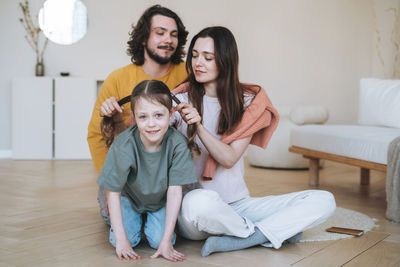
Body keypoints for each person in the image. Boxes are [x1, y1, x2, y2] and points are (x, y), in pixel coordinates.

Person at [170, 26, 336, 256]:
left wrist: (198, 127)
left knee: (324, 200)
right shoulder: (179, 100)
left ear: (226, 60)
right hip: (196, 209)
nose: (198, 63)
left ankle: (245, 236)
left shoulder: (248, 102)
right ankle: (272, 231)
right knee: (200, 202)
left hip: (238, 206)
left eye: (208, 57)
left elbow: (228, 158)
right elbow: (147, 134)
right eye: (195, 55)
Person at [87, 5, 189, 224]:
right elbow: (96, 136)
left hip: (168, 176)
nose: (168, 40)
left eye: (173, 34)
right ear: (144, 38)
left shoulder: (187, 76)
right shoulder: (117, 79)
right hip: (127, 176)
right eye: (160, 33)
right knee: (112, 218)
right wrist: (108, 184)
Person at [97, 80, 197, 262]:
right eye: (143, 117)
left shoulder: (178, 144)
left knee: (159, 240)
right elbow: (113, 193)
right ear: (134, 117)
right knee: (128, 240)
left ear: (171, 113)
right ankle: (132, 220)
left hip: (158, 200)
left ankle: (148, 220)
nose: (151, 124)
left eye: (158, 115)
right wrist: (121, 241)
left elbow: (175, 192)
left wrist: (166, 240)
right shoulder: (124, 144)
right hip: (129, 196)